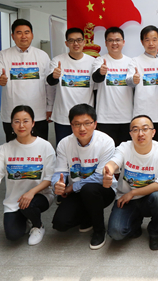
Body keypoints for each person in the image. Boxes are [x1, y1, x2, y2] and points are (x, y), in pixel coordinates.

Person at [0, 105, 55, 245]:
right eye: (17, 121)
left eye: (25, 121)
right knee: (13, 235)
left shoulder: (45, 146)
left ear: (33, 123)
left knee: (29, 205)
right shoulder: (5, 149)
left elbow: (49, 178)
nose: (21, 125)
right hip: (14, 200)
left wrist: (31, 192)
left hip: (40, 196)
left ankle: (37, 226)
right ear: (11, 124)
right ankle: (24, 219)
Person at [51, 104, 116, 250]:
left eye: (87, 123)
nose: (82, 128)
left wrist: (72, 187)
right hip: (77, 192)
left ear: (95, 124)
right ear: (71, 125)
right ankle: (89, 216)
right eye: (77, 124)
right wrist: (57, 185)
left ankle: (99, 231)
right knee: (60, 224)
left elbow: (100, 176)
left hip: (102, 190)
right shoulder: (64, 144)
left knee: (89, 189)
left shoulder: (106, 142)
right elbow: (59, 172)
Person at [104, 115, 158, 251]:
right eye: (135, 130)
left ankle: (155, 231)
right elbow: (114, 162)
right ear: (130, 134)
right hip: (126, 199)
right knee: (116, 233)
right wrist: (108, 171)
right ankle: (135, 223)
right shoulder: (124, 147)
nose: (140, 134)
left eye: (145, 129)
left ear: (153, 132)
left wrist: (133, 192)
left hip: (149, 198)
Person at [0, 19, 53, 142]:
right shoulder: (3, 55)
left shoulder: (42, 55)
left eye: (27, 32)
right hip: (12, 113)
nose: (23, 36)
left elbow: (48, 84)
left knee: (39, 147)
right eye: (19, 33)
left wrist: (50, 107)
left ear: (32, 35)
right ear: (13, 36)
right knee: (14, 148)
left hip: (38, 112)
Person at [48, 28, 95, 146]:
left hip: (86, 118)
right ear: (66, 43)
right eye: (71, 40)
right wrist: (54, 76)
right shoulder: (58, 60)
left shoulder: (93, 62)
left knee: (86, 149)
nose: (76, 43)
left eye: (79, 40)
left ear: (84, 42)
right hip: (63, 116)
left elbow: (97, 90)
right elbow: (50, 82)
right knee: (63, 149)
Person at [127, 25, 158, 148]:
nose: (151, 43)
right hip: (141, 114)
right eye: (147, 40)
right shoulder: (135, 61)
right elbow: (129, 81)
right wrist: (134, 79)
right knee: (141, 149)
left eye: (154, 39)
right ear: (142, 42)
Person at [91, 27, 133, 146]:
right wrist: (101, 72)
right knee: (106, 151)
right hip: (105, 117)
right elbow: (96, 78)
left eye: (117, 40)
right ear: (106, 43)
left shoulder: (131, 62)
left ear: (123, 42)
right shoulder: (99, 61)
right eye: (110, 40)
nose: (114, 43)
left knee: (125, 151)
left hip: (127, 117)